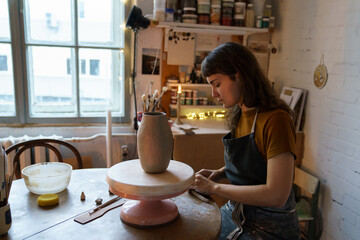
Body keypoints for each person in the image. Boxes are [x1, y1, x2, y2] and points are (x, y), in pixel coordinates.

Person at [190, 42, 300, 240]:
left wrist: (213, 188)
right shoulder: (240, 113)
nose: (214, 94)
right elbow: (253, 166)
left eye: (217, 84)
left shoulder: (276, 120)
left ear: (238, 75)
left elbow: (277, 194)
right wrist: (219, 173)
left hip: (270, 226)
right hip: (238, 212)